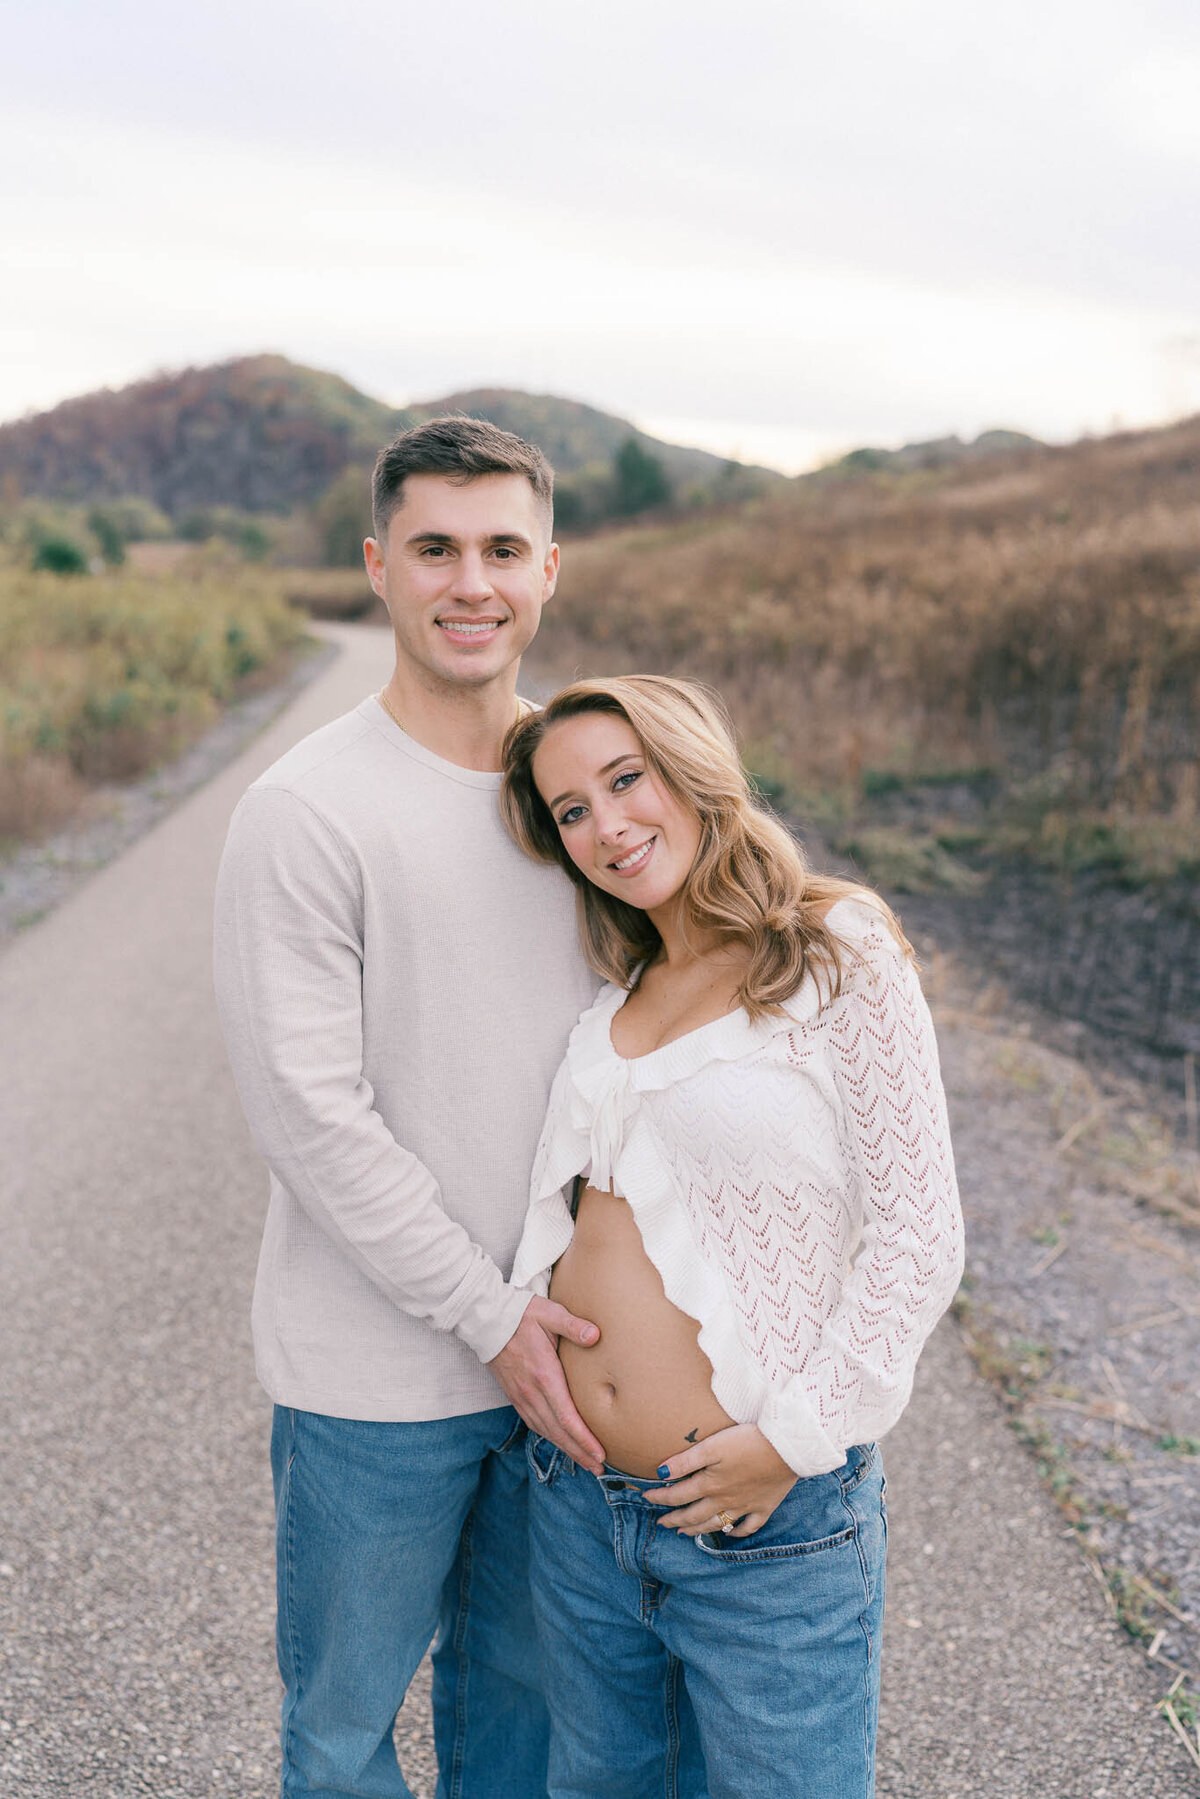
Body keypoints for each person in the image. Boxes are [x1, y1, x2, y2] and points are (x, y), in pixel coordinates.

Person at [212, 417, 605, 1799]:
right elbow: (311, 1117)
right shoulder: (307, 810)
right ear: (378, 566)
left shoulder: (591, 798)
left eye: (502, 548)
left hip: (571, 1359)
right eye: (434, 547)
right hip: (377, 1378)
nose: (470, 582)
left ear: (549, 568)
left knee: (526, 1729)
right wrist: (486, 1310)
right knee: (342, 1735)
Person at [500, 675, 964, 1799]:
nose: (606, 825)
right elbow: (558, 1216)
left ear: (691, 764)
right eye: (570, 811)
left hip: (766, 1521)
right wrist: (516, 1322)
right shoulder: (615, 995)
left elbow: (920, 1232)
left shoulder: (829, 950)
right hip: (582, 1514)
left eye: (625, 779)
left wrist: (798, 1436)